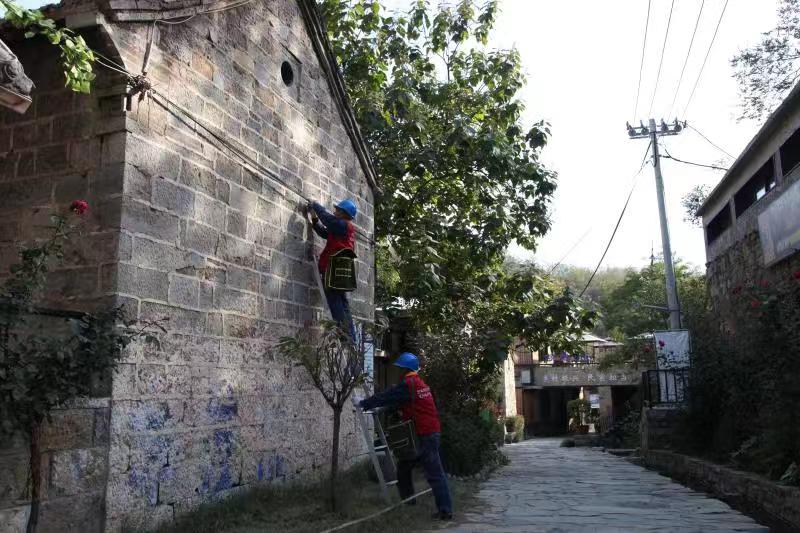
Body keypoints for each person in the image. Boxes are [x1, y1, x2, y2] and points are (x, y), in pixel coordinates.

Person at [359, 352, 453, 520]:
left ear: (405, 369)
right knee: (404, 467)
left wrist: (364, 403)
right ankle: (408, 502)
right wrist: (388, 409)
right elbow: (402, 402)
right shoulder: (420, 384)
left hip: (426, 434)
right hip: (428, 432)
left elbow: (388, 396)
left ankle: (445, 511)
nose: (399, 371)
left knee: (434, 473)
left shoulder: (408, 385)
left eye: (400, 368)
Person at [308, 198, 357, 340]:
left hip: (334, 270)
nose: (334, 212)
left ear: (343, 213)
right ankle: (350, 337)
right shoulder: (340, 229)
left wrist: (315, 205)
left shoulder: (342, 225)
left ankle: (343, 334)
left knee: (335, 300)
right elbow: (324, 233)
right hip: (340, 271)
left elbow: (328, 220)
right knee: (343, 303)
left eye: (337, 210)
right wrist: (315, 219)